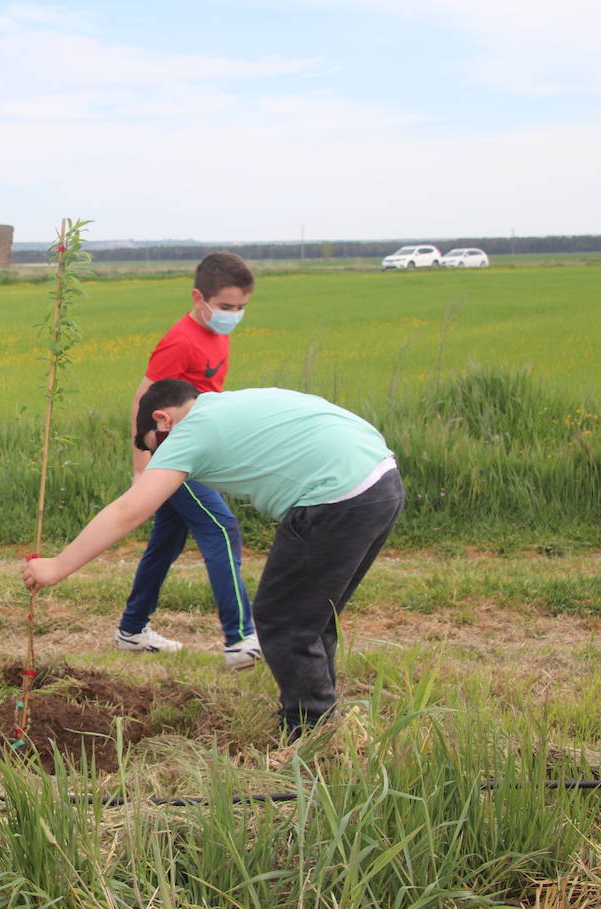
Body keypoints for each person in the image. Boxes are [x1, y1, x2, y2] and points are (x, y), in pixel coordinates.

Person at [23, 380, 404, 740]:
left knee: (283, 619)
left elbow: (130, 510)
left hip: (336, 496)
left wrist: (57, 566)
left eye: (153, 447)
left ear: (163, 419)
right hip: (381, 479)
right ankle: (320, 722)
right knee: (311, 615)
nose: (158, 457)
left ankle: (308, 733)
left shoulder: (191, 431)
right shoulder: (226, 405)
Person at [115, 252, 259, 669]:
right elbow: (145, 396)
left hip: (198, 454)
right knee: (220, 526)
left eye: (241, 308)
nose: (234, 315)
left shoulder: (218, 333)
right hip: (174, 456)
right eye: (227, 307)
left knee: (168, 539)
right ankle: (241, 640)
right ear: (200, 298)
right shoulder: (181, 339)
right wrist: (144, 465)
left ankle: (132, 629)